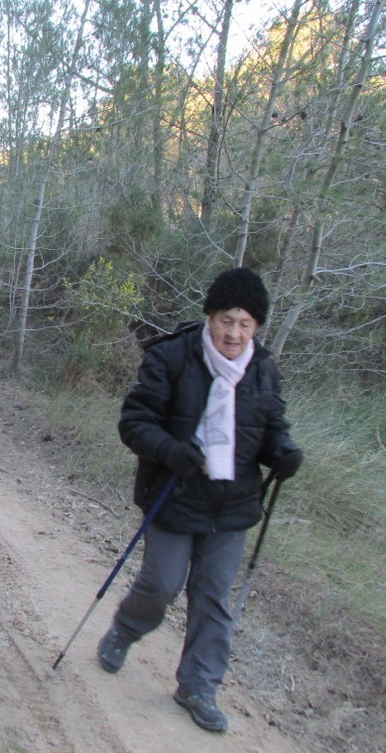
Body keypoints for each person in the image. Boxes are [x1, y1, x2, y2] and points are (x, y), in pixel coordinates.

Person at [97, 267, 304, 733]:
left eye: (244, 324)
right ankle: (125, 631)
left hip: (232, 506)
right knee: (162, 585)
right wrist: (172, 451)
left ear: (256, 327)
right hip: (175, 495)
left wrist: (285, 453)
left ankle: (198, 686)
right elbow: (135, 421)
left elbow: (270, 430)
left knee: (213, 599)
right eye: (226, 320)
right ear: (210, 316)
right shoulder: (171, 357)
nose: (234, 333)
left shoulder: (264, 369)